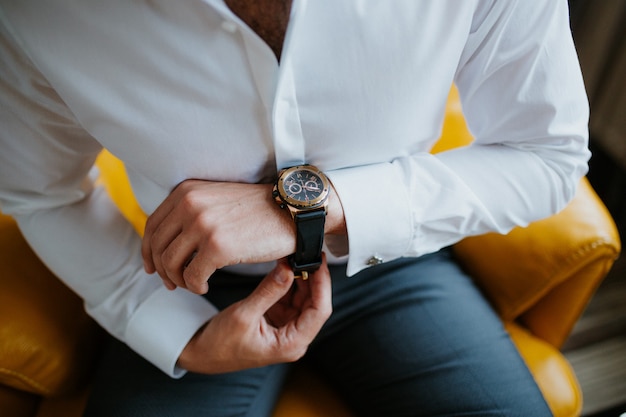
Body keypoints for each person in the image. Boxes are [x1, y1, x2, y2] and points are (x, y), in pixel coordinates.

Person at [0, 1, 589, 416]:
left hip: (390, 262)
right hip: (192, 287)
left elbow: (545, 153)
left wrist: (305, 210)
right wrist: (178, 334)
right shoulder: (40, 14)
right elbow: (42, 191)